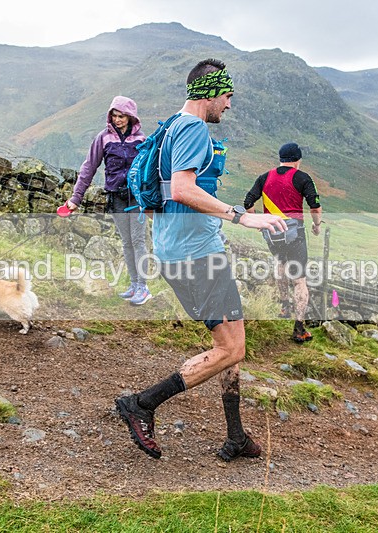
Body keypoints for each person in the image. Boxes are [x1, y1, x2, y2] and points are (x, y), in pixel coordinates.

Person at [114, 59, 287, 461]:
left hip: (180, 250)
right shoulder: (192, 128)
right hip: (197, 257)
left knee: (231, 340)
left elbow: (158, 193)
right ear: (210, 92)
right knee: (232, 349)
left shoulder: (172, 124)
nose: (228, 105)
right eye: (227, 96)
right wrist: (244, 216)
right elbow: (181, 189)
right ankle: (142, 403)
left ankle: (236, 435)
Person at [63, 96, 152, 305]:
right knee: (127, 241)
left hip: (137, 197)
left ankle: (143, 287)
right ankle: (133, 284)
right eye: (115, 115)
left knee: (138, 240)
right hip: (116, 196)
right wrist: (76, 197)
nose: (118, 120)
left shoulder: (142, 139)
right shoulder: (103, 138)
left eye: (122, 116)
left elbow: (150, 169)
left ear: (131, 117)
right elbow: (89, 167)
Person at [243, 142, 322, 343]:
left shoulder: (264, 177)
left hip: (272, 234)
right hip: (294, 234)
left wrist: (259, 224)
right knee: (299, 279)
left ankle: (284, 306)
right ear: (298, 160)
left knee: (280, 265)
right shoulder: (302, 178)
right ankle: (299, 328)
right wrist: (317, 226)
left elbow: (248, 203)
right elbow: (315, 206)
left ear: (280, 158)